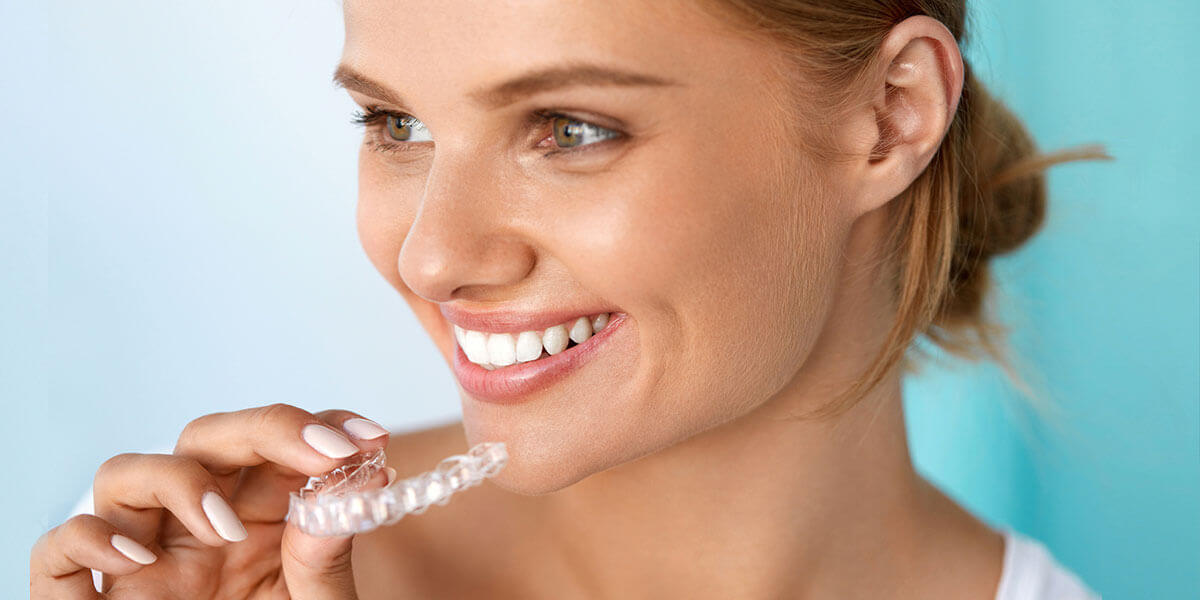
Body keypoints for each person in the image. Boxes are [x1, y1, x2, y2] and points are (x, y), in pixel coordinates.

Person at [31, 0, 1108, 597]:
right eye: (394, 125)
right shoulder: (216, 579)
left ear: (891, 113)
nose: (430, 256)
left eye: (572, 128)